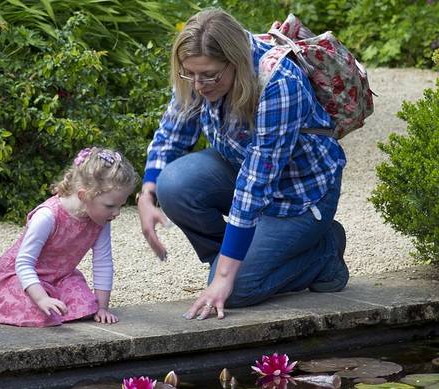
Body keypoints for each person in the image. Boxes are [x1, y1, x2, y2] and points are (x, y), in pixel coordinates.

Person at [137, 8, 349, 321]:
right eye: (189, 74)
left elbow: (255, 184)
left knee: (236, 291)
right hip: (245, 171)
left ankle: (325, 251)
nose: (198, 85)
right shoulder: (200, 71)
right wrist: (147, 194)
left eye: (209, 75)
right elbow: (172, 134)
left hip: (300, 198)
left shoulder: (279, 83)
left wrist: (226, 278)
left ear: (234, 62)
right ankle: (233, 260)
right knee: (174, 184)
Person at [0, 148, 139, 327]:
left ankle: (56, 301)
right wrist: (42, 298)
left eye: (120, 205)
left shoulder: (101, 220)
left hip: (61, 277)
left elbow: (103, 262)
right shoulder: (48, 216)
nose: (117, 213)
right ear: (84, 195)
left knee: (87, 306)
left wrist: (103, 307)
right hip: (23, 278)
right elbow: (23, 263)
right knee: (40, 312)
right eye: (110, 205)